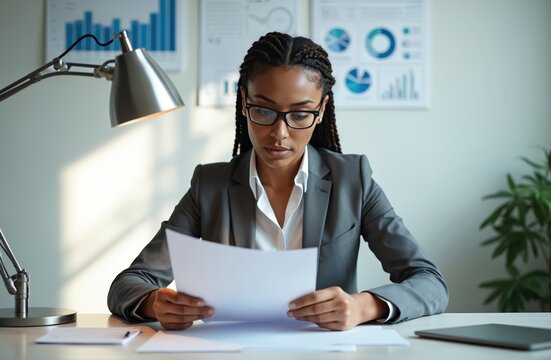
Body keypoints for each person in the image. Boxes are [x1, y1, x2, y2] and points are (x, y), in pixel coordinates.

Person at [108, 31, 448, 331]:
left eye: (300, 114)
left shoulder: (353, 180)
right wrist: (156, 302)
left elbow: (430, 283)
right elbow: (129, 283)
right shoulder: (209, 186)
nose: (279, 133)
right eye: (264, 111)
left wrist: (363, 306)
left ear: (322, 110)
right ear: (244, 102)